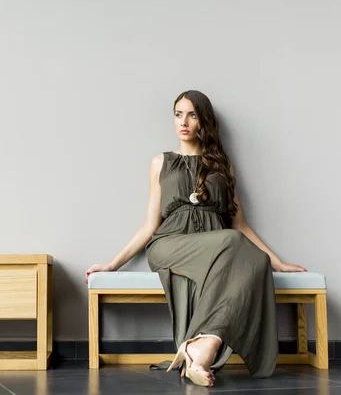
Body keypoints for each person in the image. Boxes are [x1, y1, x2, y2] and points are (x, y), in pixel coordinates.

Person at [85, 90, 307, 387]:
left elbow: (239, 225)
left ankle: (203, 347)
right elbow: (150, 224)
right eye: (178, 114)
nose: (184, 122)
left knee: (257, 259)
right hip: (170, 244)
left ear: (204, 120)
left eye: (192, 114)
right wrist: (113, 264)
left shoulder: (222, 165)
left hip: (217, 246)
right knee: (232, 243)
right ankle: (199, 346)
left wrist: (277, 263)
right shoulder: (161, 162)